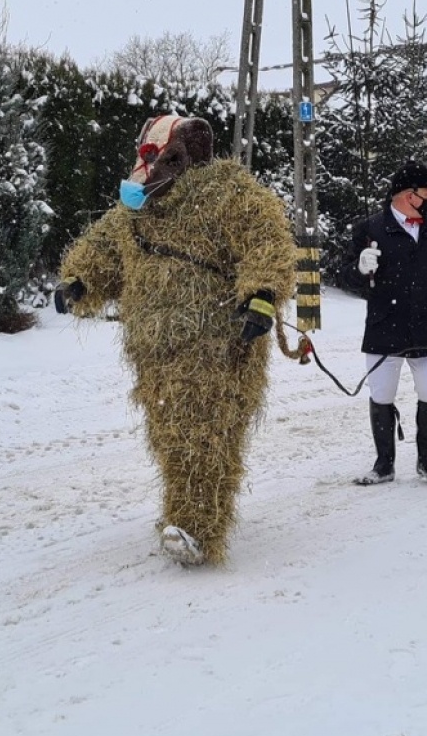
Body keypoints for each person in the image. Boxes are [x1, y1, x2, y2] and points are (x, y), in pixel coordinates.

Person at [57, 114, 296, 566]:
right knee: (171, 437)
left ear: (189, 160)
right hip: (155, 352)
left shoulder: (229, 196)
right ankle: (184, 517)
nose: (149, 172)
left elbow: (265, 242)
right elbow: (105, 248)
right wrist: (79, 280)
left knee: (206, 438)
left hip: (219, 347)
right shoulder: (135, 213)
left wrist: (262, 295)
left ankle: (199, 530)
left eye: (165, 160)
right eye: (146, 158)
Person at [340, 160, 427, 488]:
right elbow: (344, 276)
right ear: (407, 195)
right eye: (426, 192)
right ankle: (384, 465)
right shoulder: (371, 228)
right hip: (385, 326)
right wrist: (359, 267)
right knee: (381, 395)